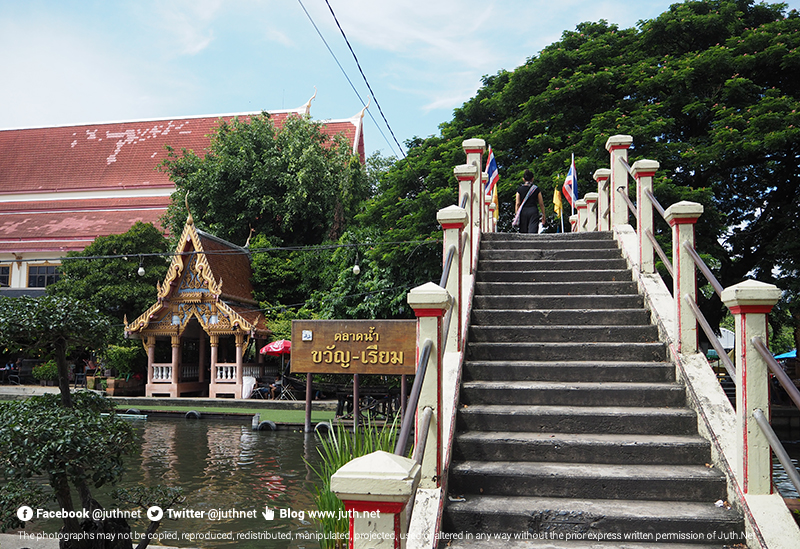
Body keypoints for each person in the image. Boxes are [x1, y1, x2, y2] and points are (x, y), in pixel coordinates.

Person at [514, 169, 547, 234]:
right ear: (532, 179)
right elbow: (541, 203)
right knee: (533, 232)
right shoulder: (536, 189)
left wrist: (517, 214)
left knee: (523, 232)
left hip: (523, 212)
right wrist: (543, 215)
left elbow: (517, 203)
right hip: (533, 211)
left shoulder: (519, 189)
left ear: (523, 179)